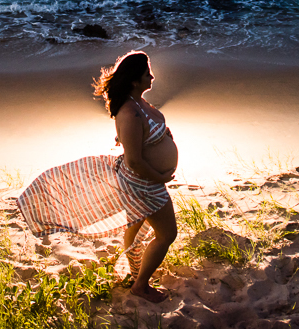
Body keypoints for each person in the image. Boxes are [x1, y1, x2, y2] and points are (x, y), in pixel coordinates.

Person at [17, 50, 179, 302]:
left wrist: (164, 138)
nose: (152, 77)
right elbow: (134, 161)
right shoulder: (130, 113)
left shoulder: (140, 104)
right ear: (134, 80)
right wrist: (160, 178)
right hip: (144, 184)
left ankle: (135, 273)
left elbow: (147, 138)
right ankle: (140, 285)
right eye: (147, 73)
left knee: (135, 227)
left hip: (147, 181)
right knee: (167, 235)